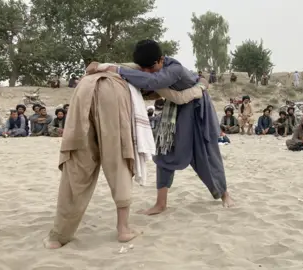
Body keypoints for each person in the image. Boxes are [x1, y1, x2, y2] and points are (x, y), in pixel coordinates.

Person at [44, 41, 207, 249]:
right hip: (114, 92)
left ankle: (58, 236)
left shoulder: (125, 67)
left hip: (84, 87)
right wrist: (201, 87)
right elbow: (180, 96)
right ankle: (123, 229)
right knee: (118, 160)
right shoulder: (155, 80)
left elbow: (94, 66)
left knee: (77, 162)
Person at [94, 39, 234, 216]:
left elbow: (153, 81)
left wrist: (119, 70)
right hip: (174, 113)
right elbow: (142, 73)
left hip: (197, 113)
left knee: (207, 154)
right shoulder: (152, 67)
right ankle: (161, 203)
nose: (146, 72)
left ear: (161, 60)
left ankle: (224, 194)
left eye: (150, 68)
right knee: (164, 151)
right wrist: (105, 66)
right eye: (143, 68)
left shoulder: (174, 69)